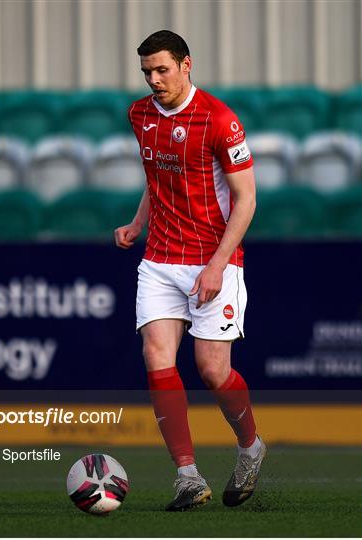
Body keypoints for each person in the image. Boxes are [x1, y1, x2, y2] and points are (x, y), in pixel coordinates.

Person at [115, 29, 266, 511]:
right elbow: (158, 176)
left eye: (162, 70)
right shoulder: (139, 115)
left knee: (211, 369)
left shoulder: (221, 120)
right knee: (156, 354)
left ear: (186, 64)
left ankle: (249, 447)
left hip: (213, 258)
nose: (154, 80)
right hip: (160, 259)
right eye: (147, 73)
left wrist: (218, 266)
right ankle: (187, 476)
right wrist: (139, 221)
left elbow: (247, 199)